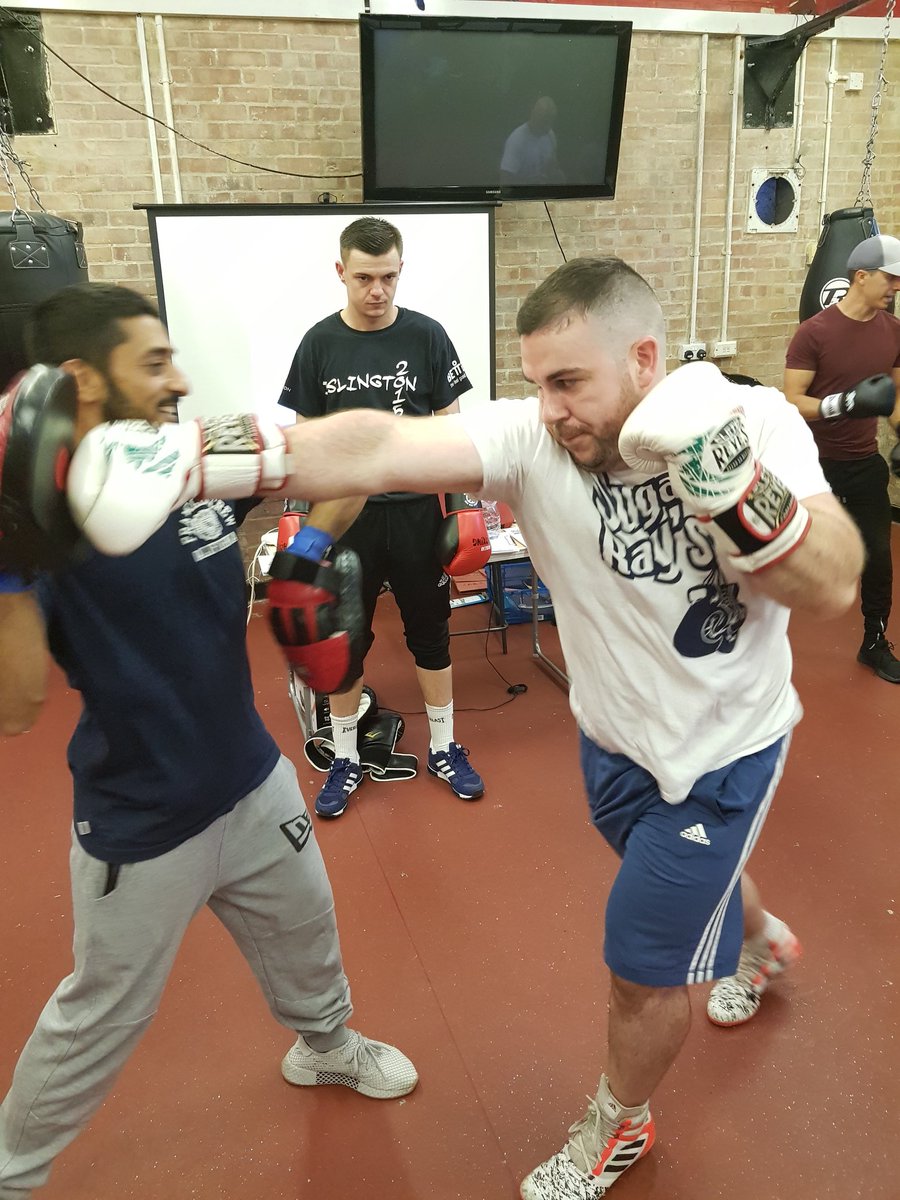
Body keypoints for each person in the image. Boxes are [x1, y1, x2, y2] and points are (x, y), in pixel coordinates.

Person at [10, 258, 864, 1200]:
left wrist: (733, 484)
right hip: (616, 738)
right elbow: (371, 445)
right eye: (536, 383)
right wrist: (180, 458)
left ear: (645, 359)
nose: (550, 408)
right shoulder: (534, 436)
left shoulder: (753, 427)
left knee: (641, 961)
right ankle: (760, 933)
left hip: (724, 752)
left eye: (570, 382)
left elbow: (831, 583)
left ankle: (621, 1124)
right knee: (688, 880)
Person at [0, 284, 417, 1200]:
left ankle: (327, 1047)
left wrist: (304, 551)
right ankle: (11, 1172)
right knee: (102, 1016)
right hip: (143, 824)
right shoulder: (45, 520)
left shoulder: (188, 457)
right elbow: (16, 706)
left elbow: (337, 464)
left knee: (309, 929)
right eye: (153, 363)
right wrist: (11, 562)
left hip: (252, 777)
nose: (179, 379)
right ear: (84, 378)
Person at [277, 216, 485, 818]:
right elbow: (305, 439)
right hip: (347, 522)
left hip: (419, 512)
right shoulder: (319, 343)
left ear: (400, 272)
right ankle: (344, 756)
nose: (377, 290)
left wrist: (464, 505)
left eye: (388, 277)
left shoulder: (427, 335)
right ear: (341, 272)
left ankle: (446, 746)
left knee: (431, 633)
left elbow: (450, 425)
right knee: (347, 639)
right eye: (364, 277)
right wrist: (300, 522)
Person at [784, 232, 900, 683]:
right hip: (809, 465)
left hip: (863, 462)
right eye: (890, 279)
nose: (895, 288)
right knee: (777, 553)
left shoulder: (894, 332)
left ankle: (874, 642)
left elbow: (893, 399)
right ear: (861, 276)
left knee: (878, 557)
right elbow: (791, 398)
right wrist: (842, 404)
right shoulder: (815, 332)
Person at [499, 96, 564, 187]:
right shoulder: (516, 140)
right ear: (533, 114)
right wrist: (529, 185)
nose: (547, 126)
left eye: (550, 121)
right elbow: (505, 182)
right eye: (544, 120)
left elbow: (553, 167)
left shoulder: (550, 135)